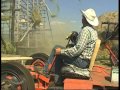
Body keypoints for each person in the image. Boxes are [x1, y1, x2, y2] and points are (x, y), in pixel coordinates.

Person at [41, 8, 99, 85]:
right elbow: (84, 46)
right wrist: (74, 39)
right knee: (60, 53)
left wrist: (61, 51)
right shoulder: (93, 31)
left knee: (56, 49)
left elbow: (77, 50)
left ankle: (46, 73)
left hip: (81, 61)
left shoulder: (85, 30)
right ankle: (57, 79)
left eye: (82, 17)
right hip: (85, 61)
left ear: (85, 19)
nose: (81, 19)